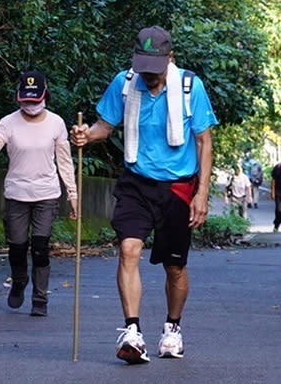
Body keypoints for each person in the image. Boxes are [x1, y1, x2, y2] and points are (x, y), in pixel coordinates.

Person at [69, 26, 217, 364]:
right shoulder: (124, 84)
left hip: (178, 187)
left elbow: (204, 141)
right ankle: (132, 333)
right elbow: (104, 128)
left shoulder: (189, 86)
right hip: (136, 183)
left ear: (170, 58)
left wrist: (202, 193)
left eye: (155, 67)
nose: (148, 75)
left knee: (174, 267)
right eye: (143, 67)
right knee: (128, 249)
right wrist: (85, 135)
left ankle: (172, 328)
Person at [0, 70, 78, 317]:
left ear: (45, 95)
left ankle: (40, 298)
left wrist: (72, 194)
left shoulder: (56, 123)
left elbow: (65, 161)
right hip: (16, 193)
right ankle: (20, 280)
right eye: (26, 100)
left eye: (35, 100)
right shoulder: (7, 122)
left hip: (46, 193)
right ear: (18, 97)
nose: (31, 105)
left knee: (41, 247)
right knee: (17, 247)